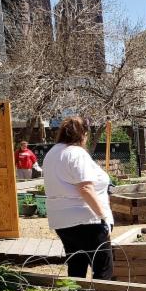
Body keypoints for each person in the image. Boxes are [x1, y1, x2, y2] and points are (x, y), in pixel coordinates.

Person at [43, 116, 114, 280]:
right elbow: (85, 188)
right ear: (83, 134)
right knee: (103, 267)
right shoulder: (76, 153)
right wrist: (103, 217)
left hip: (62, 220)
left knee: (76, 265)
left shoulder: (52, 153)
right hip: (86, 219)